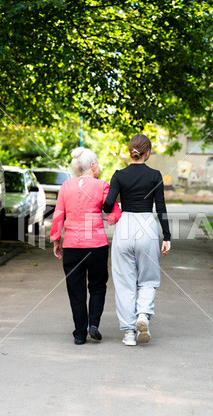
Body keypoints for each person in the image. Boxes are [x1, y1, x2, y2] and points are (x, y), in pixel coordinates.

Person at [104, 133, 171, 346]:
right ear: (147, 153)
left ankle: (129, 333)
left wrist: (111, 207)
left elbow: (107, 205)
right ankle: (143, 315)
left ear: (130, 152)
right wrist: (167, 236)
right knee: (149, 279)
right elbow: (160, 207)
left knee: (124, 281)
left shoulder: (118, 175)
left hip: (125, 226)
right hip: (147, 227)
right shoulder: (155, 175)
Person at [50, 148, 121, 345]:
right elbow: (114, 216)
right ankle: (94, 325)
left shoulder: (65, 186)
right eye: (97, 164)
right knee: (98, 286)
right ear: (92, 166)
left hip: (72, 245)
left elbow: (58, 215)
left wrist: (57, 240)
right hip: (96, 246)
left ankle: (80, 334)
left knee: (76, 290)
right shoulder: (103, 186)